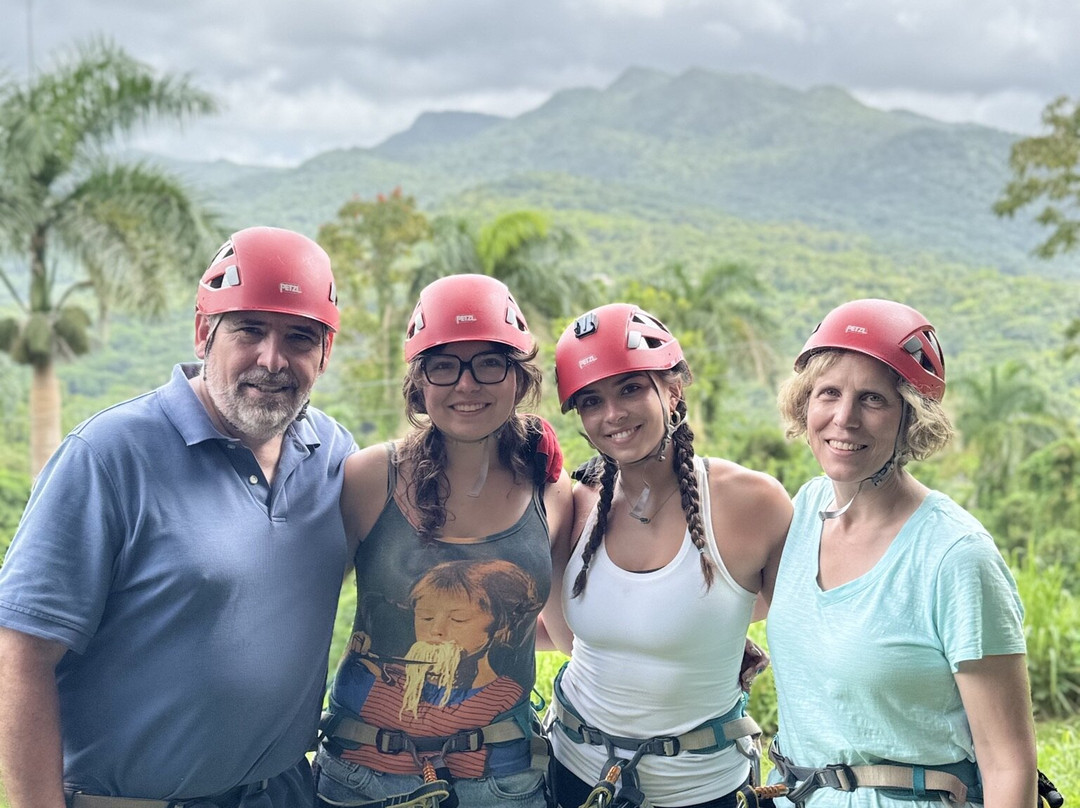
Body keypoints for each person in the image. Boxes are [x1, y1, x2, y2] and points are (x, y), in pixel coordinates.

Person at [0, 226, 357, 808]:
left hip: (285, 793)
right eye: (249, 330)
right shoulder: (109, 456)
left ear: (324, 354)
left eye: (298, 337)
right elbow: (19, 653)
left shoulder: (333, 455)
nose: (272, 359)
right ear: (202, 333)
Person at [766, 298, 1037, 807]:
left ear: (910, 417)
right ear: (806, 404)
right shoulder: (805, 510)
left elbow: (1008, 763)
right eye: (829, 393)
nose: (844, 419)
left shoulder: (955, 557)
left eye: (872, 399)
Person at [316, 274, 573, 808]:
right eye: (443, 364)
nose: (466, 384)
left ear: (518, 378)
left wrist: (695, 647)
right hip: (363, 777)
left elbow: (564, 628)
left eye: (489, 362)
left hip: (504, 777)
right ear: (419, 382)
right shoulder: (370, 479)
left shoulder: (550, 491)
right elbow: (297, 614)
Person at [544, 303, 793, 808]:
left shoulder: (751, 503)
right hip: (573, 775)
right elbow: (564, 634)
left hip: (706, 790)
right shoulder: (576, 504)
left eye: (631, 388)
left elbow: (805, 633)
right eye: (591, 401)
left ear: (673, 388)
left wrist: (711, 639)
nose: (612, 414)